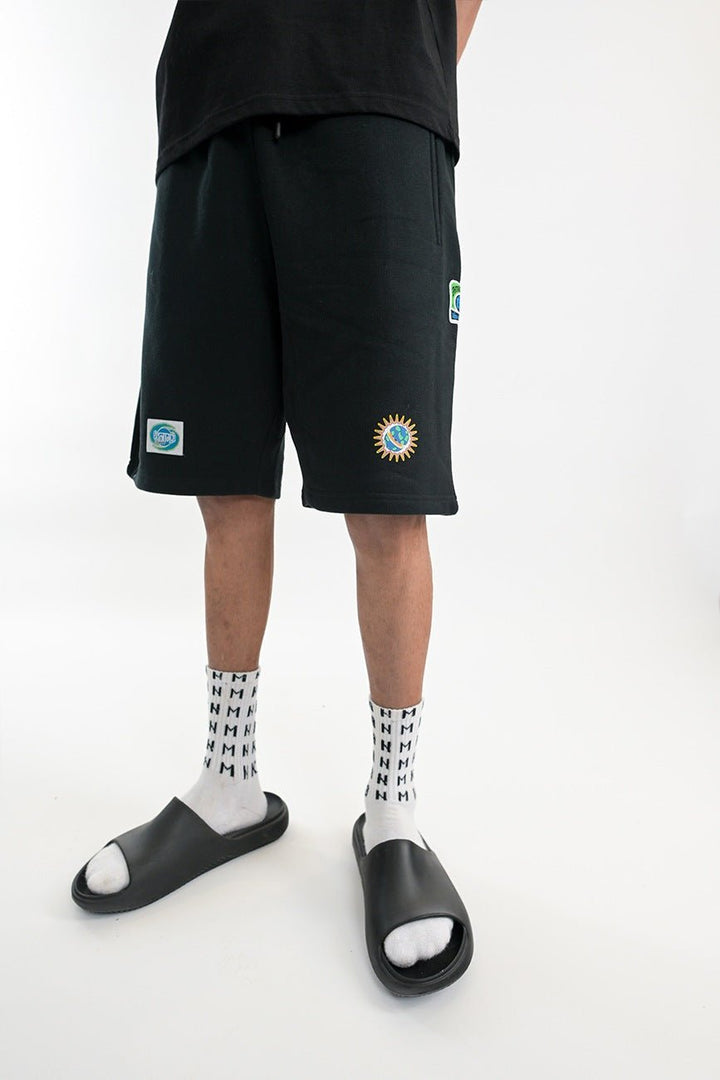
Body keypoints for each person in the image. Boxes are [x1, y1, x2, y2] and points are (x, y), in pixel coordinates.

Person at [71, 0, 483, 997]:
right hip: (213, 110)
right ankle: (230, 783)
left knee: (388, 495)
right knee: (222, 479)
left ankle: (394, 812)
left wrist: (409, 59)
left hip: (379, 102)